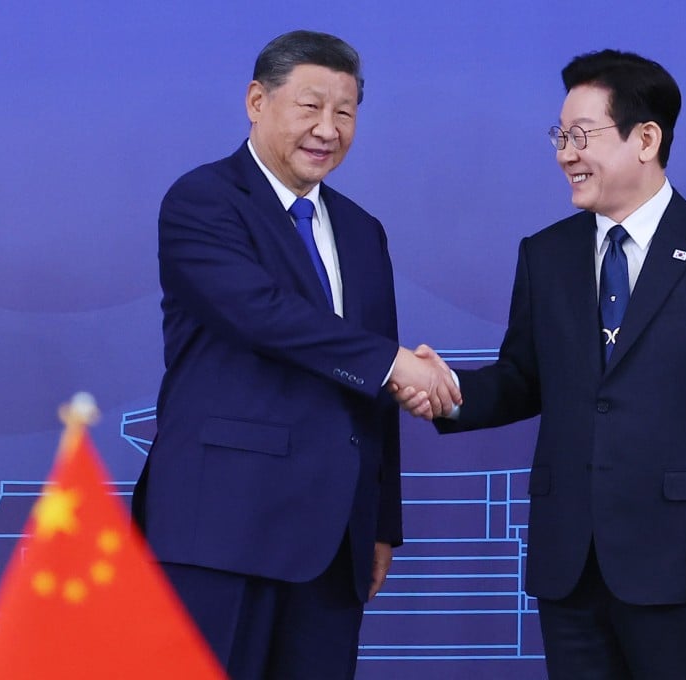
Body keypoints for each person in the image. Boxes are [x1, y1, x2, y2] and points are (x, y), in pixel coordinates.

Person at [392, 49, 686, 679]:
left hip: (683, 560)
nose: (564, 154)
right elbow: (523, 377)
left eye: (581, 136)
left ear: (646, 139)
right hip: (569, 561)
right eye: (560, 136)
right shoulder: (545, 255)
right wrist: (446, 392)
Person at [131, 29, 459, 679]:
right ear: (258, 101)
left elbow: (372, 388)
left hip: (333, 545)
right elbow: (264, 316)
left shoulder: (362, 231)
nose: (327, 129)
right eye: (309, 106)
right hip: (221, 531)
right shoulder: (204, 201)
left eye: (345, 112)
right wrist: (396, 363)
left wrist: (380, 521)